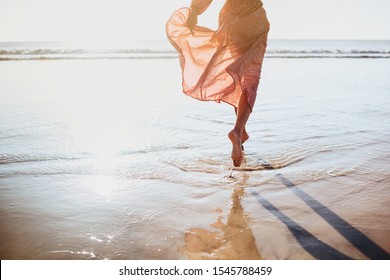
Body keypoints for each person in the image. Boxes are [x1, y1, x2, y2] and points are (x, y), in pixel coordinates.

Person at [166, 0, 270, 167]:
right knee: (250, 80)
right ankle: (237, 130)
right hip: (254, 18)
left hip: (230, 20)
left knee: (238, 77)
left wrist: (195, 10)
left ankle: (241, 132)